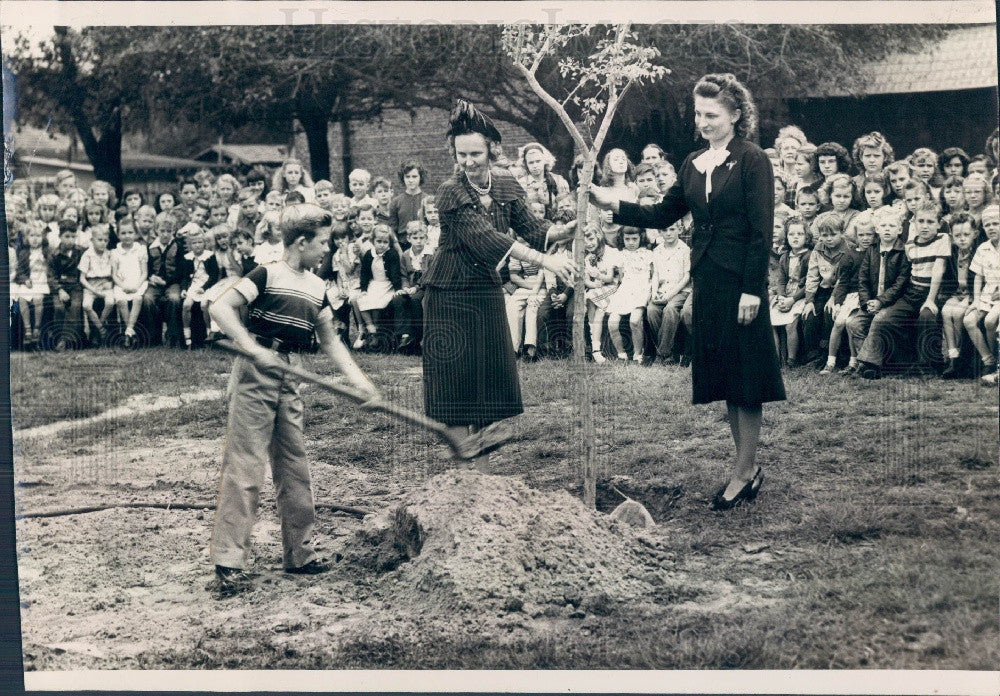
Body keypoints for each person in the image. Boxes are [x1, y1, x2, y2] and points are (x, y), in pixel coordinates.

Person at [590, 72, 785, 510]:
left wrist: (753, 290)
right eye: (698, 113)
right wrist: (614, 205)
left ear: (736, 115)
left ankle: (744, 471)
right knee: (727, 376)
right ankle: (746, 467)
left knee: (746, 378)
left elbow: (761, 231)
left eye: (712, 114)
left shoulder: (753, 160)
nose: (703, 121)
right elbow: (663, 214)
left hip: (741, 282)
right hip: (709, 280)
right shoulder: (693, 163)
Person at [207, 203, 378, 597]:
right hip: (255, 371)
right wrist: (251, 347)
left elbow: (330, 341)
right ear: (301, 242)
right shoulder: (267, 274)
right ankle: (229, 562)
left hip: (290, 373)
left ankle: (300, 554)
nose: (326, 251)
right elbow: (220, 307)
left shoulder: (318, 288)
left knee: (294, 464)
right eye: (322, 243)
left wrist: (361, 383)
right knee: (246, 465)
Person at [421, 100, 576, 461]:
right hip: (450, 292)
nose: (468, 161)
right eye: (461, 154)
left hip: (484, 289)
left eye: (475, 153)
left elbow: (533, 229)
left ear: (492, 149)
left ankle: (485, 478)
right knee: (455, 383)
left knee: (488, 382)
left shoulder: (506, 183)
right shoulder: (451, 191)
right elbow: (489, 240)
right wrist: (546, 261)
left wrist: (564, 230)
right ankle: (462, 473)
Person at [850, 207, 913, 380]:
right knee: (854, 323)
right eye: (883, 225)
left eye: (892, 226)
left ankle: (868, 366)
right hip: (872, 302)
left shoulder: (903, 252)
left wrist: (880, 302)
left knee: (880, 319)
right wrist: (867, 302)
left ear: (899, 229)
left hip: (893, 303)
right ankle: (873, 365)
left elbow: (901, 283)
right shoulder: (872, 250)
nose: (887, 229)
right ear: (876, 229)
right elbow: (862, 279)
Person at [823, 216, 876, 375]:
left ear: (875, 235)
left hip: (867, 296)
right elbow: (843, 281)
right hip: (851, 295)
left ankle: (853, 362)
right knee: (839, 322)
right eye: (862, 235)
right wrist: (838, 301)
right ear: (856, 236)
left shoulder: (876, 253)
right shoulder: (850, 255)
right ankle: (830, 361)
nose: (865, 238)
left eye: (869, 235)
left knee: (850, 323)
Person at [605, 227, 655, 363]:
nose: (631, 242)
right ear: (622, 239)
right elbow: (621, 277)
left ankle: (638, 354)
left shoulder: (648, 254)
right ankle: (621, 354)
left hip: (642, 289)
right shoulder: (620, 255)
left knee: (634, 320)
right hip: (626, 290)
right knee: (612, 322)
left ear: (641, 237)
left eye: (634, 239)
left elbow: (652, 275)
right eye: (627, 239)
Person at [646, 220, 691, 364]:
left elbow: (686, 277)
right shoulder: (657, 250)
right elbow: (656, 275)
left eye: (672, 229)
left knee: (670, 309)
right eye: (665, 230)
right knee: (651, 310)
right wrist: (654, 293)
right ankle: (670, 352)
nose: (668, 233)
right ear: (660, 232)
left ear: (679, 230)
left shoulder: (684, 250)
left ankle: (663, 354)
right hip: (662, 290)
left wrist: (670, 294)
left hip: (681, 291)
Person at [963, 204, 1000, 377]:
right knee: (969, 320)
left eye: (996, 223)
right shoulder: (983, 248)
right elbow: (978, 276)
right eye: (987, 225)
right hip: (987, 295)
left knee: (990, 321)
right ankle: (988, 359)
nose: (991, 228)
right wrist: (977, 300)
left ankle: (997, 360)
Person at [940, 213, 977, 378]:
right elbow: (948, 277)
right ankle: (953, 355)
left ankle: (963, 358)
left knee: (959, 313)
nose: (962, 239)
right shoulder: (952, 253)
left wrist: (971, 297)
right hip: (957, 293)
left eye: (966, 235)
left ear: (975, 234)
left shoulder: (978, 252)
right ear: (952, 237)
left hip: (973, 294)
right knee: (946, 312)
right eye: (957, 236)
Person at [583, 226, 620, 363]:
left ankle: (595, 349)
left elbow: (610, 278)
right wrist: (595, 284)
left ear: (599, 236)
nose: (588, 243)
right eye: (585, 240)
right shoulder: (588, 258)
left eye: (591, 238)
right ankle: (595, 347)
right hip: (599, 289)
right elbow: (587, 281)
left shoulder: (610, 252)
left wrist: (598, 276)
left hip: (613, 287)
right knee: (592, 302)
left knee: (592, 300)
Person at [110, 220, 148, 348]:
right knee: (121, 301)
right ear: (118, 234)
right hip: (122, 283)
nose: (127, 236)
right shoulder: (115, 252)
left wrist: (137, 285)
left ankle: (127, 334)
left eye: (130, 232)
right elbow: (114, 274)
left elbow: (144, 272)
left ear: (136, 234)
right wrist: (123, 286)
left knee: (137, 298)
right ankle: (131, 333)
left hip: (138, 282)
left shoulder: (141, 249)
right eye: (123, 233)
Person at [48, 224, 85, 350]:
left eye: (73, 237)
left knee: (74, 306)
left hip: (76, 286)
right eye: (66, 236)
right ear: (60, 237)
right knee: (59, 308)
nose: (70, 240)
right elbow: (51, 276)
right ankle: (57, 338)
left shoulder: (80, 251)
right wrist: (59, 290)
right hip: (60, 286)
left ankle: (65, 341)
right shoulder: (54, 254)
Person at [78, 225, 116, 346]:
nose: (103, 243)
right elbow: (82, 278)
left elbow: (114, 274)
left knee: (110, 302)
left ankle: (99, 326)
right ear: (92, 240)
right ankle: (101, 329)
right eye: (100, 240)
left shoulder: (109, 254)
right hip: (90, 284)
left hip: (105, 284)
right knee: (86, 305)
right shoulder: (87, 255)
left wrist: (111, 283)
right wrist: (93, 289)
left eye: (105, 240)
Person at [14, 224, 51, 347]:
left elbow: (51, 267)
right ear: (26, 238)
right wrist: (25, 279)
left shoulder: (46, 251)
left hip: (42, 280)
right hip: (30, 280)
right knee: (22, 299)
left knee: (38, 298)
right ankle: (27, 328)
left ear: (43, 237)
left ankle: (37, 327)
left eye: (38, 236)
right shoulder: (24, 252)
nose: (35, 239)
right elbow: (19, 270)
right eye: (32, 235)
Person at [389, 160, 427, 238]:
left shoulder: (427, 200)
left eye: (414, 176)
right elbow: (393, 230)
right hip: (403, 244)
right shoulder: (396, 202)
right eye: (407, 176)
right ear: (403, 178)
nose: (411, 180)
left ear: (421, 177)